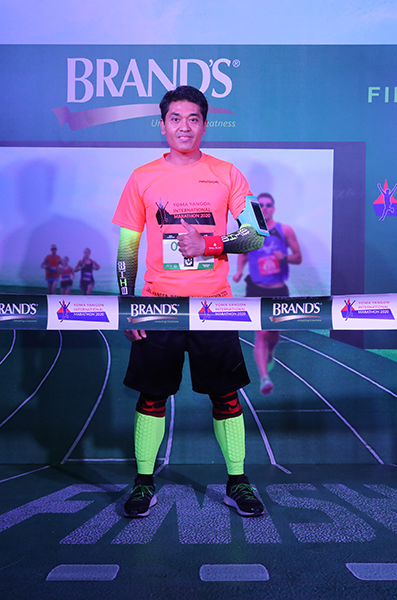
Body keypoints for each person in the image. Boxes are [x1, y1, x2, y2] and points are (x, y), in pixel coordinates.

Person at [112, 86, 267, 518]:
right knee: (152, 397)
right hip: (158, 306)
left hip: (213, 305)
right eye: (176, 119)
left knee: (226, 396)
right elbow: (127, 246)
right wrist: (127, 305)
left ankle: (237, 481)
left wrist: (209, 244)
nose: (185, 127)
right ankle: (144, 483)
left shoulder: (227, 173)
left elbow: (256, 235)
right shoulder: (141, 177)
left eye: (193, 119)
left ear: (204, 125)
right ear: (162, 125)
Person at [233, 192, 302, 395]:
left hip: (278, 290)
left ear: (273, 208)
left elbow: (298, 257)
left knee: (272, 333)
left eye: (268, 205)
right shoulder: (250, 232)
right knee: (261, 333)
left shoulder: (285, 230)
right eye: (261, 205)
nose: (264, 208)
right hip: (255, 289)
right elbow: (243, 255)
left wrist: (284, 258)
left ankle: (270, 351)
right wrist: (239, 271)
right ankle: (264, 378)